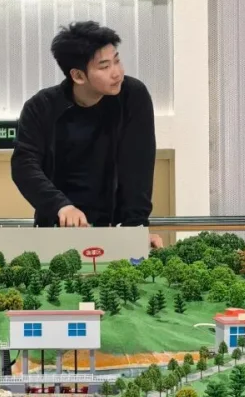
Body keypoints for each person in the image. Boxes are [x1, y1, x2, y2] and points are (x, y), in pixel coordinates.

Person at [10, 20, 162, 246]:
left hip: (113, 228)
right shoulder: (41, 107)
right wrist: (60, 206)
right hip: (59, 226)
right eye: (104, 66)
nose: (117, 73)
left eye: (117, 61)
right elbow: (24, 166)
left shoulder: (133, 96)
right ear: (78, 76)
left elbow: (138, 168)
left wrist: (136, 230)